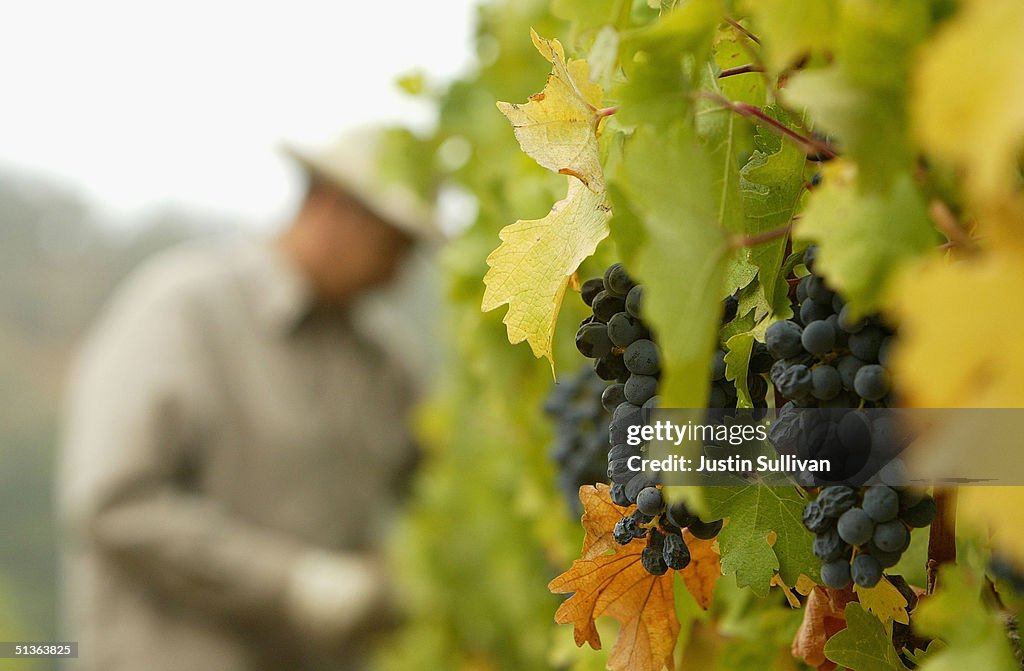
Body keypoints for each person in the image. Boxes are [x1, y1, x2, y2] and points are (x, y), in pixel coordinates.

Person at [56, 128, 439, 671]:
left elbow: (437, 485)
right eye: (391, 246)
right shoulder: (184, 310)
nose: (397, 274)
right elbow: (114, 505)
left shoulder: (383, 361)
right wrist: (296, 583)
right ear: (333, 208)